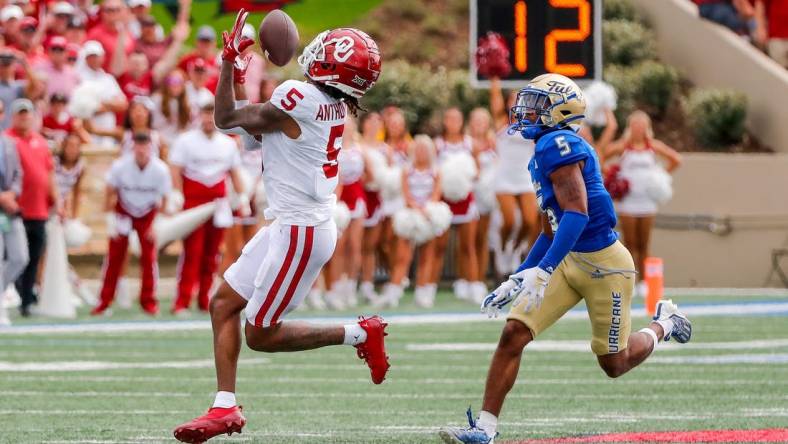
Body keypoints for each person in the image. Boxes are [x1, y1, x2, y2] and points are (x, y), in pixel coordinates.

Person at [439, 74, 692, 444]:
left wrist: (542, 271)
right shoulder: (544, 147)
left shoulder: (558, 143)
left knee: (614, 363)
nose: (525, 111)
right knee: (513, 333)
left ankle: (665, 324)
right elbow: (549, 229)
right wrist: (518, 276)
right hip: (568, 256)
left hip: (605, 264)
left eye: (537, 104)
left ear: (559, 111)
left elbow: (577, 214)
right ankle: (485, 430)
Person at [173, 17, 389, 443]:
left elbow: (225, 118)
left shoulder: (301, 96)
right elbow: (249, 129)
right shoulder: (325, 103)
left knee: (260, 333)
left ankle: (361, 332)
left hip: (300, 230)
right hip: (292, 224)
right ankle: (224, 406)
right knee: (222, 304)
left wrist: (226, 62)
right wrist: (237, 74)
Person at [169, 94, 248, 315]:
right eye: (205, 115)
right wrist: (176, 193)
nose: (208, 120)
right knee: (191, 252)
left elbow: (234, 172)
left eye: (212, 115)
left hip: (218, 204)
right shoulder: (185, 141)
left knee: (212, 254)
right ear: (198, 116)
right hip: (194, 203)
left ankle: (204, 299)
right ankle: (182, 301)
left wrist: (242, 197)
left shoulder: (228, 143)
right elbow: (175, 169)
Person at [604, 110, 681, 298]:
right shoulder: (623, 146)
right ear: (630, 128)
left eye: (642, 125)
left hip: (647, 202)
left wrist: (660, 177)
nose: (638, 129)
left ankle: (644, 282)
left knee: (644, 243)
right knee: (629, 244)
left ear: (647, 128)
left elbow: (676, 160)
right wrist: (613, 176)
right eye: (635, 125)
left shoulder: (653, 146)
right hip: (628, 201)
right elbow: (600, 156)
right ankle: (629, 280)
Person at [92, 132, 171, 316]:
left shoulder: (160, 169)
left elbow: (165, 198)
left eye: (145, 145)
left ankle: (149, 302)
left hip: (148, 213)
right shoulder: (120, 166)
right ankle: (104, 302)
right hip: (124, 211)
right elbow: (109, 190)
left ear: (151, 147)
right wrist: (110, 218)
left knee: (149, 259)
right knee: (114, 258)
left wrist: (156, 223)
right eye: (138, 145)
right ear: (132, 147)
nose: (141, 150)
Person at [7, 99, 62, 317]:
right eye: (20, 113)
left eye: (27, 113)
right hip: (14, 210)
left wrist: (56, 198)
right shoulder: (7, 141)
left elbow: (49, 174)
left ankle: (26, 299)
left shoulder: (40, 142)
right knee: (15, 257)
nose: (24, 117)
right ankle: (15, 293)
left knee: (33, 257)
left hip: (39, 209)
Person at [432, 107, 484, 303]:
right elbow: (433, 172)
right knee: (439, 246)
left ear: (462, 122)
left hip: (466, 200)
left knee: (468, 246)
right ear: (445, 121)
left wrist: (461, 177)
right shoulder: (438, 145)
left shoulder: (471, 144)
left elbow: (477, 172)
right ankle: (429, 289)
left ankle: (474, 286)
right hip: (443, 202)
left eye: (457, 119)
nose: (453, 122)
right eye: (449, 118)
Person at [489, 77, 539, 276]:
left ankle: (516, 249)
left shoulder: (532, 125)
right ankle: (502, 249)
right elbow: (494, 99)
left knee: (529, 220)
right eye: (513, 99)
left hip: (524, 176)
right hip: (504, 177)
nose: (517, 103)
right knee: (509, 221)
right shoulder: (502, 122)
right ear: (508, 103)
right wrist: (495, 78)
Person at [391, 135, 442, 308]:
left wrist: (427, 210)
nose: (421, 152)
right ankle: (394, 293)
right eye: (418, 149)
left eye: (424, 149)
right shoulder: (406, 170)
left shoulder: (436, 171)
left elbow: (436, 195)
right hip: (410, 216)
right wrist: (416, 208)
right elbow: (406, 195)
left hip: (428, 216)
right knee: (402, 256)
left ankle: (423, 294)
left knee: (427, 256)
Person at [324, 116, 367, 309]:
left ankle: (349, 288)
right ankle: (333, 290)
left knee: (355, 246)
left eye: (349, 126)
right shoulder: (330, 146)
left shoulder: (360, 149)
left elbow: (369, 176)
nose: (346, 128)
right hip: (337, 199)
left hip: (356, 198)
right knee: (337, 247)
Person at [0, 101, 28, 326]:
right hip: (3, 203)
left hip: (9, 210)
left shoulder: (9, 143)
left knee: (20, 257)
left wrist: (11, 195)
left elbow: (18, 174)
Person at [358, 111, 387, 303]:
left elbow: (393, 175)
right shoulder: (356, 145)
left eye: (378, 121)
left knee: (371, 245)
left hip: (377, 199)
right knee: (353, 246)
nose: (375, 124)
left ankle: (367, 285)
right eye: (371, 121)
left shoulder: (386, 149)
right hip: (358, 195)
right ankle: (348, 283)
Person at [77, 40, 128, 150]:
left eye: (97, 56)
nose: (95, 59)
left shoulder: (108, 79)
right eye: (91, 56)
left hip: (108, 131)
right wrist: (110, 106)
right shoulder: (79, 78)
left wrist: (101, 105)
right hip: (87, 133)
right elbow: (83, 108)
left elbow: (123, 104)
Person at [468, 107, 498, 288]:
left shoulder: (494, 142)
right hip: (470, 194)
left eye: (483, 120)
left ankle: (481, 279)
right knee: (470, 240)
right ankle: (469, 280)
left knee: (483, 238)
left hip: (487, 196)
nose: (479, 124)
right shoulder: (466, 143)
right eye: (476, 120)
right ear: (470, 123)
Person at [54, 133, 85, 220]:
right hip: (51, 203)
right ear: (64, 147)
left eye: (76, 146)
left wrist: (75, 217)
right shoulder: (54, 163)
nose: (73, 150)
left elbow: (77, 192)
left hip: (63, 206)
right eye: (70, 146)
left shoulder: (80, 167)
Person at [754, 0, 788, 68]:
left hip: (777, 36)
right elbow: (760, 4)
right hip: (776, 37)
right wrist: (760, 28)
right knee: (778, 71)